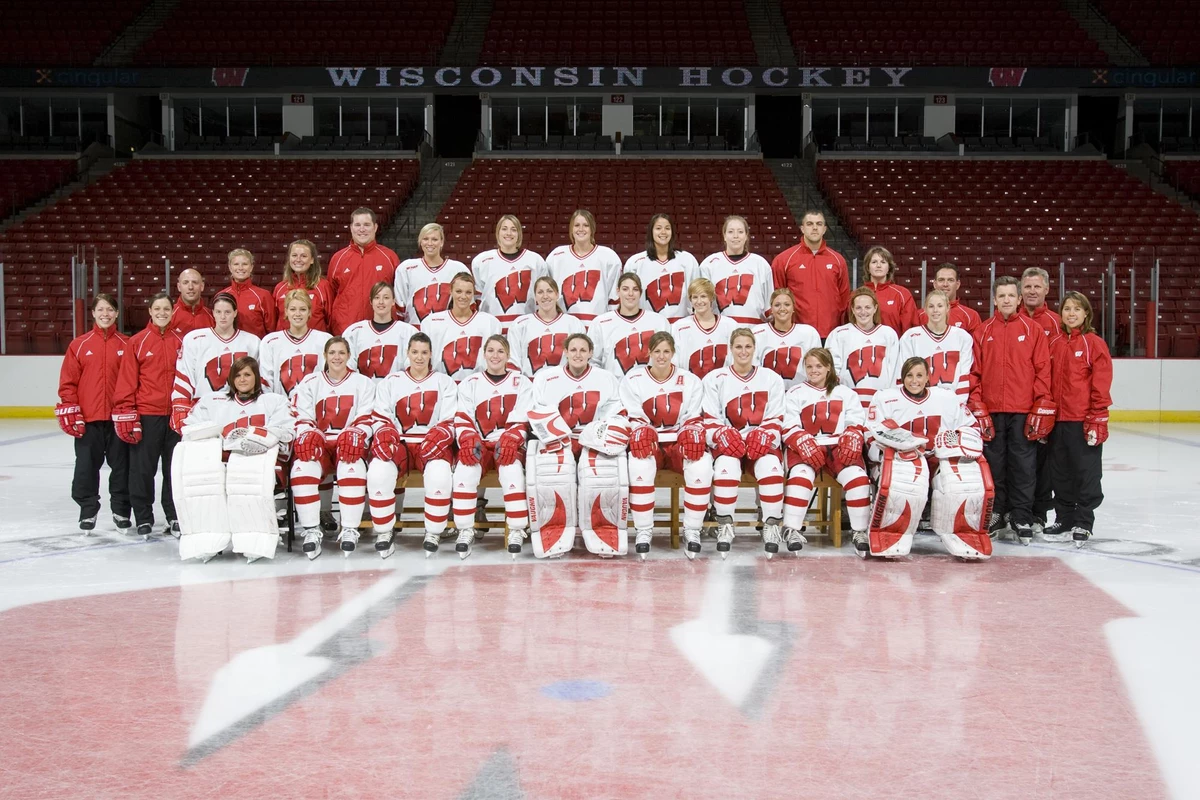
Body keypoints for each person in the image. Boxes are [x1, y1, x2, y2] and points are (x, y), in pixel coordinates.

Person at [863, 356, 993, 560]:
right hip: (901, 461)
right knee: (903, 479)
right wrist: (893, 450)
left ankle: (961, 533)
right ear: (902, 378)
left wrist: (953, 441)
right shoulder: (885, 398)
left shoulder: (947, 399)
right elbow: (871, 433)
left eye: (919, 376)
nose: (914, 381)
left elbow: (971, 427)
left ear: (927, 378)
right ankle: (891, 533)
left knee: (961, 479)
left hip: (937, 459)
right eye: (909, 376)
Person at [509, 332, 626, 558]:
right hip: (558, 440)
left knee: (602, 477)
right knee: (552, 479)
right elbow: (537, 413)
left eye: (583, 350)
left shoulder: (606, 378)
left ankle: (603, 533)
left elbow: (616, 414)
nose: (578, 354)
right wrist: (556, 437)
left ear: (591, 353)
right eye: (573, 350)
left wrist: (599, 436)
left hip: (593, 440)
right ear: (565, 352)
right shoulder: (546, 378)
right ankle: (554, 533)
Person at [172, 356, 296, 563]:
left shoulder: (274, 401)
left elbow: (286, 431)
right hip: (220, 463)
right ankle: (207, 539)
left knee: (246, 480)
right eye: (237, 375)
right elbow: (190, 429)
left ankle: (255, 540)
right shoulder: (212, 402)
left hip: (256, 461)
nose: (242, 379)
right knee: (202, 481)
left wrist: (258, 437)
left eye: (247, 374)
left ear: (256, 377)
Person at [969, 276, 1054, 544]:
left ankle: (1021, 515)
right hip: (993, 411)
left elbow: (1043, 371)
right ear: (994, 300)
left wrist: (1041, 405)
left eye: (1010, 296)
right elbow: (975, 374)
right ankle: (997, 511)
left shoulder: (1033, 331)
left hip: (1022, 411)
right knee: (995, 465)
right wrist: (979, 406)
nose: (1006, 300)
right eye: (1001, 296)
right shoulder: (982, 332)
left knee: (1024, 467)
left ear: (1018, 299)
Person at [365, 333, 460, 558]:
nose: (419, 357)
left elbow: (450, 420)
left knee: (439, 474)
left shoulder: (444, 382)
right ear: (407, 353)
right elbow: (381, 416)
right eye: (415, 352)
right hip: (400, 442)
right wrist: (385, 433)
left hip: (432, 443)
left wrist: (440, 435)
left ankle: (434, 531)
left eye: (424, 353)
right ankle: (385, 531)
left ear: (431, 355)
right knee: (378, 471)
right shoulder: (392, 381)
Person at [621, 331, 710, 558]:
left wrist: (690, 432)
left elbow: (693, 416)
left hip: (678, 441)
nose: (661, 356)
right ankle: (643, 530)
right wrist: (642, 430)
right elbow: (633, 415)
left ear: (673, 353)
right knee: (639, 462)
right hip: (652, 442)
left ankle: (692, 530)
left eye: (666, 351)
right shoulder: (633, 379)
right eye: (657, 351)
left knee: (701, 462)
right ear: (649, 353)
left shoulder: (690, 380)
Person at [700, 327, 786, 558]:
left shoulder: (771, 378)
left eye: (748, 346)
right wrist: (721, 435)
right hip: (730, 442)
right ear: (731, 349)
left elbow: (777, 416)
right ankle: (725, 526)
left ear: (754, 348)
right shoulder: (715, 379)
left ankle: (770, 526)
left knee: (772, 468)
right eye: (738, 346)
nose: (743, 351)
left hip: (760, 442)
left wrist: (766, 434)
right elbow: (710, 418)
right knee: (726, 468)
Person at [290, 337, 378, 559]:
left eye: (341, 353)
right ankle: (311, 530)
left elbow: (367, 417)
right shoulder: (310, 382)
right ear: (325, 356)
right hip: (320, 442)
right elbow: (302, 415)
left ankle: (349, 528)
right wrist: (308, 434)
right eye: (332, 353)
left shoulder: (363, 383)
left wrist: (355, 434)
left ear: (349, 356)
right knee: (301, 468)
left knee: (352, 466)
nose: (337, 357)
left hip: (348, 443)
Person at [780, 348, 872, 555]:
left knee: (858, 479)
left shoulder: (846, 393)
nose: (814, 371)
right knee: (800, 478)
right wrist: (801, 439)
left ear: (829, 367)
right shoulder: (795, 393)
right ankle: (792, 529)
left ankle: (860, 531)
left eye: (819, 366)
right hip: (806, 445)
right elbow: (788, 425)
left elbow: (856, 420)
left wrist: (853, 434)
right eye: (810, 366)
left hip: (838, 445)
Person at [450, 335, 532, 558]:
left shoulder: (521, 382)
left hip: (508, 444)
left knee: (512, 471)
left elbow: (523, 416)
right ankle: (465, 529)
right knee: (464, 472)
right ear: (484, 354)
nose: (495, 356)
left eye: (500, 351)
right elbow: (463, 416)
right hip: (480, 443)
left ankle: (516, 529)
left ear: (508, 356)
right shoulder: (470, 383)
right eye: (491, 351)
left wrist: (512, 438)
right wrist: (468, 440)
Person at [112, 292, 185, 539]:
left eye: (166, 309)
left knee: (173, 469)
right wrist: (127, 413)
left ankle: (174, 515)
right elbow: (127, 381)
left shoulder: (182, 340)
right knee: (142, 470)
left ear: (172, 311)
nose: (162, 313)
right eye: (157, 309)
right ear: (150, 312)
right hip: (147, 414)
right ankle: (143, 517)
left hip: (175, 416)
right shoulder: (138, 342)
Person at [56, 293, 131, 533]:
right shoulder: (79, 345)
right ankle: (87, 509)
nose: (105, 314)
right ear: (93, 313)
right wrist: (72, 409)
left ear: (117, 313)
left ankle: (120, 509)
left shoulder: (128, 344)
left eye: (110, 309)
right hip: (88, 420)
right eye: (101, 309)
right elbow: (68, 383)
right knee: (86, 467)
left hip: (119, 419)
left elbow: (134, 381)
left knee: (122, 467)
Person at [1047, 292, 1112, 547]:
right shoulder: (1054, 343)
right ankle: (1064, 517)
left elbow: (1101, 382)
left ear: (1086, 313)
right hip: (1057, 421)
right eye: (1067, 309)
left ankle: (1084, 522)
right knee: (1059, 473)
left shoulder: (1093, 344)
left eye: (1077, 309)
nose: (1071, 313)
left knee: (1086, 473)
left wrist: (1097, 415)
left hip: (1082, 419)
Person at [170, 292, 261, 433]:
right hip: (204, 410)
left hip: (241, 410)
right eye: (218, 312)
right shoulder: (195, 339)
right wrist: (180, 405)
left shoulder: (252, 342)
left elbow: (259, 382)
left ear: (235, 313)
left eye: (227, 312)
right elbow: (185, 374)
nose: (223, 316)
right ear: (213, 313)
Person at [1019, 266, 1063, 532]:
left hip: (1046, 405)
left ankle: (1039, 512)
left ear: (1047, 289)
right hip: (1017, 403)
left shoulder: (1057, 323)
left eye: (1037, 286)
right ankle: (1017, 509)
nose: (1032, 291)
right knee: (1020, 462)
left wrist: (1048, 403)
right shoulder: (1011, 317)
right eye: (1028, 286)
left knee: (1044, 463)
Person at [769, 209, 850, 337]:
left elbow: (844, 298)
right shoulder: (784, 260)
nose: (814, 228)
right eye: (810, 224)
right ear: (802, 228)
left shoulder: (838, 260)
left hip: (831, 332)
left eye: (819, 224)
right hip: (796, 332)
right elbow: (777, 296)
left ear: (824, 229)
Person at [328, 207, 401, 335]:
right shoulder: (338, 259)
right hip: (345, 329)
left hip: (382, 330)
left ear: (375, 227)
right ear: (351, 228)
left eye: (367, 225)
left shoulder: (389, 257)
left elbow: (399, 295)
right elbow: (331, 295)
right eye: (357, 225)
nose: (362, 229)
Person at [826, 287, 900, 409]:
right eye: (858, 308)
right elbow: (833, 371)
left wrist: (890, 399)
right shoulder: (839, 334)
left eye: (867, 307)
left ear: (875, 308)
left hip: (881, 401)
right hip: (849, 402)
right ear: (852, 310)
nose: (863, 312)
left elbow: (894, 370)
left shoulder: (888, 334)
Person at [544, 209, 623, 322]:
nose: (581, 229)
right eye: (577, 225)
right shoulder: (556, 256)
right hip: (564, 324)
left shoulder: (609, 257)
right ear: (571, 229)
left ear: (592, 229)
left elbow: (615, 298)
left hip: (597, 324)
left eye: (585, 225)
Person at [895, 290, 974, 399]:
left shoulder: (963, 337)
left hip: (952, 402)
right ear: (925, 309)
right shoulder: (911, 336)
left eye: (940, 306)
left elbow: (964, 376)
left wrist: (959, 403)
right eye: (931, 306)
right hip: (921, 401)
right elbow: (904, 374)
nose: (935, 310)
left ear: (947, 308)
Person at [424, 272, 502, 382]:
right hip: (442, 386)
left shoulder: (490, 322)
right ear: (450, 291)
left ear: (474, 294)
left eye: (468, 292)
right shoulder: (431, 322)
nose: (463, 296)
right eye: (459, 291)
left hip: (479, 386)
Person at [587, 272, 669, 376]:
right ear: (618, 291)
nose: (630, 294)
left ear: (640, 292)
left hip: (649, 388)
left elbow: (670, 358)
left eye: (635, 289)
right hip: (616, 388)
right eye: (625, 289)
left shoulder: (659, 321)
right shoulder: (601, 323)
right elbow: (593, 362)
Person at [472, 215, 545, 329]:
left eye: (513, 229)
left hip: (526, 328)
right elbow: (478, 299)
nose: (509, 233)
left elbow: (542, 299)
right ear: (498, 232)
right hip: (493, 329)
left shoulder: (535, 260)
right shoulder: (481, 261)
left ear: (519, 234)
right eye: (504, 228)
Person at [623, 213, 700, 322]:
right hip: (649, 324)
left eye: (667, 228)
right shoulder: (635, 263)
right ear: (651, 232)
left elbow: (697, 293)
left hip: (681, 324)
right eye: (658, 228)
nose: (663, 232)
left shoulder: (687, 260)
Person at [697, 215, 773, 325]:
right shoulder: (709, 264)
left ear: (746, 236)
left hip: (754, 330)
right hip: (720, 329)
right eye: (731, 232)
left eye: (740, 232)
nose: (735, 236)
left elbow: (768, 304)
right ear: (724, 235)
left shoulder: (761, 264)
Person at [259, 290, 332, 398]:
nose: (297, 314)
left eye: (302, 309)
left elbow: (332, 378)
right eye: (293, 309)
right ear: (286, 312)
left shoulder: (325, 340)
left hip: (315, 408)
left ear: (309, 312)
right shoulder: (270, 342)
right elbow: (266, 381)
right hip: (281, 409)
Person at [395, 222, 470, 328]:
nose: (430, 243)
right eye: (425, 239)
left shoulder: (458, 269)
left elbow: (469, 306)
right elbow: (399, 308)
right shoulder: (406, 268)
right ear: (420, 242)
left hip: (448, 330)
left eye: (434, 239)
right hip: (415, 331)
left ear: (442, 242)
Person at [507, 275, 586, 376]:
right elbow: (513, 363)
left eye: (549, 291)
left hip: (564, 386)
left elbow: (580, 361)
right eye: (540, 292)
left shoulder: (574, 324)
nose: (545, 296)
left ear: (557, 295)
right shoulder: (520, 324)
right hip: (531, 386)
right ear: (535, 297)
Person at [342, 283, 418, 381]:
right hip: (364, 393)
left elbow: (413, 369)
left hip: (395, 392)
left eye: (386, 298)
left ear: (393, 301)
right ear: (371, 301)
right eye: (377, 297)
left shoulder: (408, 332)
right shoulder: (354, 332)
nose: (381, 302)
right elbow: (347, 368)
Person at [670, 277, 739, 379]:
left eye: (703, 296)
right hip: (690, 386)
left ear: (711, 298)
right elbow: (674, 362)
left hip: (723, 385)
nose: (699, 301)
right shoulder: (679, 327)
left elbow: (736, 360)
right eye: (695, 297)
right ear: (690, 299)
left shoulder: (730, 325)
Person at [751, 288, 821, 389]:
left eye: (787, 304)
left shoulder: (809, 333)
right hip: (768, 393)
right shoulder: (758, 332)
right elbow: (753, 369)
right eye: (777, 305)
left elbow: (817, 369)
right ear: (771, 309)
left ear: (793, 308)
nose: (782, 308)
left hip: (800, 393)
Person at [272, 239, 334, 333]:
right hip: (285, 344)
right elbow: (275, 320)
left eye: (303, 256)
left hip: (316, 344)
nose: (298, 259)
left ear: (312, 260)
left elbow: (331, 320)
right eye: (294, 255)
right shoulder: (279, 288)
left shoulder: (323, 286)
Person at [861, 245, 919, 334]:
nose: (878, 265)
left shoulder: (902, 294)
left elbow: (910, 328)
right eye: (874, 262)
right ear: (868, 268)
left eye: (883, 262)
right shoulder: (857, 294)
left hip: (893, 346)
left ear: (889, 268)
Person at [218, 248, 274, 338]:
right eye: (236, 264)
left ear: (251, 267)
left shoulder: (263, 296)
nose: (240, 268)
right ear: (230, 267)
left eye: (245, 264)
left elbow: (272, 330)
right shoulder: (221, 296)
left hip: (256, 350)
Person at [919, 263, 981, 334]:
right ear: (935, 284)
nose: (945, 284)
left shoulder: (971, 316)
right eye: (941, 280)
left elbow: (976, 344)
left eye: (950, 280)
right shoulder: (920, 315)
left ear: (957, 284)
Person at [169, 268, 214, 337]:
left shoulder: (213, 317)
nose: (190, 287)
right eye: (185, 283)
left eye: (195, 282)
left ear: (202, 286)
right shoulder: (169, 316)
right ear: (179, 287)